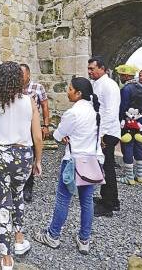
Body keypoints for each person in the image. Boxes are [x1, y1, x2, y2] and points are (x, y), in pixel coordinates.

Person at [0, 61, 43, 270]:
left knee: (3, 202)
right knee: (18, 194)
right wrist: (38, 160)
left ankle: (6, 258)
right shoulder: (29, 100)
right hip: (23, 155)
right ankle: (19, 240)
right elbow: (38, 137)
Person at [34, 77, 103, 255]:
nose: (67, 91)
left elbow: (57, 135)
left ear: (78, 93)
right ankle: (84, 239)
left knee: (63, 199)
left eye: (70, 89)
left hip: (73, 161)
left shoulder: (73, 113)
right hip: (91, 161)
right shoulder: (95, 112)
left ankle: (53, 235)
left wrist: (64, 135)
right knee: (87, 202)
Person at [87, 57, 121, 217]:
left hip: (108, 133)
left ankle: (109, 204)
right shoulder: (98, 84)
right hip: (102, 131)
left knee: (107, 167)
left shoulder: (109, 86)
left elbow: (110, 113)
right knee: (103, 165)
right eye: (89, 68)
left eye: (92, 69)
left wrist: (102, 135)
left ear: (102, 68)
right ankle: (108, 198)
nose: (89, 71)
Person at [20, 63, 51, 203]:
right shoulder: (14, 88)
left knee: (30, 157)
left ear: (29, 74)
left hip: (33, 127)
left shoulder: (38, 88)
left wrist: (45, 125)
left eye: (22, 74)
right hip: (18, 128)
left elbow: (44, 106)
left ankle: (28, 187)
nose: (19, 77)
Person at [116, 64, 142, 185]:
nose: (119, 77)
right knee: (139, 147)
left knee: (127, 147)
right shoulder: (140, 88)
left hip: (128, 123)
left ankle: (129, 177)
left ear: (126, 75)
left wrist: (119, 120)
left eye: (120, 75)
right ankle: (140, 176)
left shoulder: (126, 89)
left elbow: (123, 107)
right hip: (140, 122)